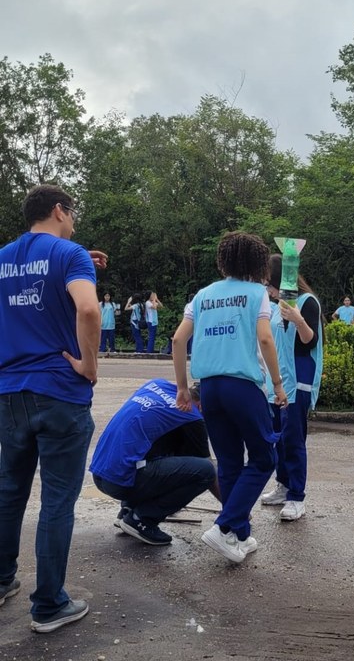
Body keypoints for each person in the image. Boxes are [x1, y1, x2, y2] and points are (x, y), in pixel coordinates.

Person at [0, 184, 101, 633]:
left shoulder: (3, 257)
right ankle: (49, 605)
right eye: (72, 212)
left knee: (8, 491)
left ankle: (2, 580)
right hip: (60, 391)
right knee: (57, 500)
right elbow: (88, 309)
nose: (74, 221)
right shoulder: (71, 255)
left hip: (9, 393)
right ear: (59, 210)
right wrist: (89, 364)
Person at [173, 231, 287, 564]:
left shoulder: (203, 295)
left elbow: (179, 340)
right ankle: (224, 527)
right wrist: (278, 385)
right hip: (243, 387)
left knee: (230, 462)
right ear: (257, 262)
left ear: (223, 260)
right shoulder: (257, 293)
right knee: (265, 458)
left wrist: (182, 388)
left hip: (209, 388)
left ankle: (240, 533)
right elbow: (265, 340)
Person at [90, 379, 218, 546]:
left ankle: (129, 509)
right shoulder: (192, 415)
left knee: (167, 443)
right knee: (205, 471)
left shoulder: (157, 385)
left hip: (100, 472)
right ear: (202, 405)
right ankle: (142, 518)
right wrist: (234, 511)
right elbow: (210, 474)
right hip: (120, 482)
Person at [261, 254, 324, 521]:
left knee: (294, 438)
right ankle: (283, 484)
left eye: (269, 283)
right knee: (278, 437)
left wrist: (298, 320)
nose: (268, 289)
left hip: (298, 379)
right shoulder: (274, 306)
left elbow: (309, 341)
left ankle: (297, 497)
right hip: (276, 382)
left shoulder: (308, 302)